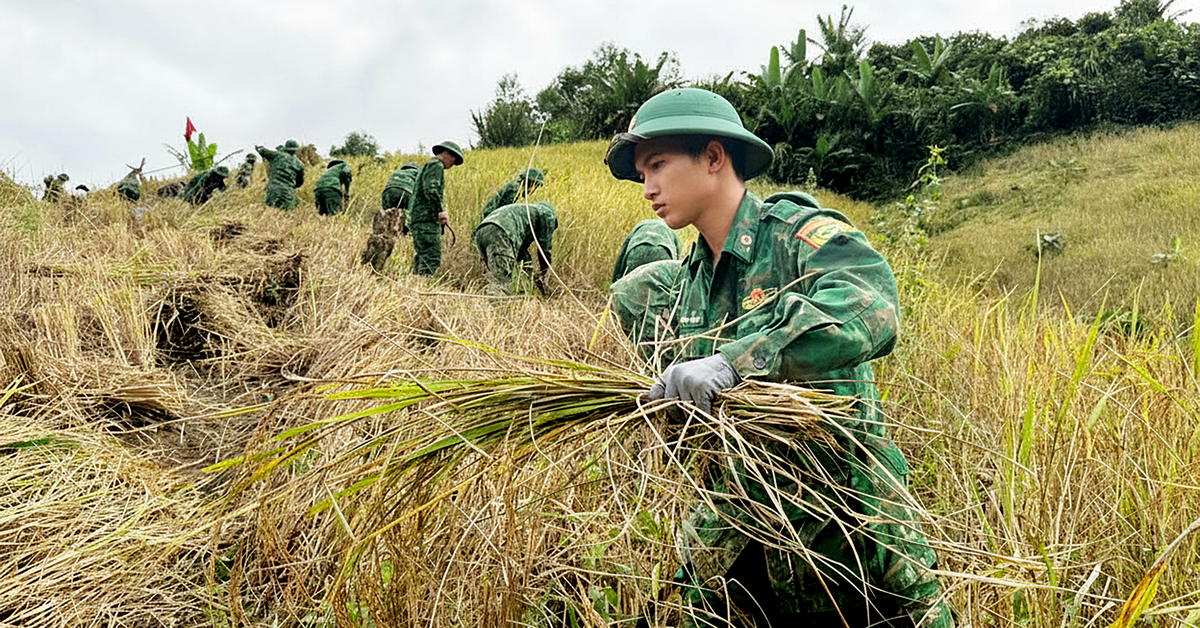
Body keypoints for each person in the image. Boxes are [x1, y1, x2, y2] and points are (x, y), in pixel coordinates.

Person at [606, 88, 951, 627]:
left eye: (657, 165)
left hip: (848, 537)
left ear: (714, 158)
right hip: (742, 541)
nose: (647, 187)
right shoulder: (688, 283)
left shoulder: (797, 237)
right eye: (641, 173)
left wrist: (736, 360)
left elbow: (873, 304)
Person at [473, 201, 556, 295]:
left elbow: (522, 256)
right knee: (504, 280)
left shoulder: (525, 213)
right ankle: (498, 305)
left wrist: (531, 277)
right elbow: (544, 250)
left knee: (498, 273)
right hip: (501, 231)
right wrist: (544, 276)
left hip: (482, 231)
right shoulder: (548, 215)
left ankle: (498, 301)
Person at [408, 140, 464, 275]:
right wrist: (440, 212)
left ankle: (418, 284)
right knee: (431, 256)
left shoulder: (430, 165)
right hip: (426, 220)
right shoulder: (436, 165)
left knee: (423, 255)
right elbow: (432, 190)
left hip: (420, 218)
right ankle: (424, 285)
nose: (452, 164)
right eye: (453, 160)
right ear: (448, 154)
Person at [362, 161, 420, 272]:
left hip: (388, 191)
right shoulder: (417, 173)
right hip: (407, 191)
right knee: (407, 215)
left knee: (387, 215)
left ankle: (382, 234)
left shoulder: (397, 172)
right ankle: (403, 234)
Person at [610, 218, 683, 284]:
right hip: (662, 252)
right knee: (661, 290)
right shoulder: (670, 229)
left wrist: (616, 281)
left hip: (637, 251)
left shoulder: (640, 225)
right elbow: (676, 265)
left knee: (632, 287)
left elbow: (622, 255)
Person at [477, 167, 545, 226]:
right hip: (489, 219)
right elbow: (504, 211)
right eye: (535, 186)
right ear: (531, 183)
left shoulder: (516, 187)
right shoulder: (515, 189)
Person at [255, 140, 305, 210]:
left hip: (274, 189)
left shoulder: (276, 155)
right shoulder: (300, 164)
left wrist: (259, 147)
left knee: (270, 213)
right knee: (287, 215)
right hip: (288, 192)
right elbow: (299, 182)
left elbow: (262, 151)